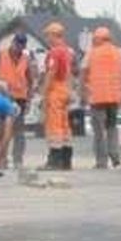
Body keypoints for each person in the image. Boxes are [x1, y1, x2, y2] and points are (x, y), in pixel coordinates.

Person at [82, 26, 121, 169]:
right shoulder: (120, 53)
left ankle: (101, 161)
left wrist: (83, 93)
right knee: (112, 127)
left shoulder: (91, 54)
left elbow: (83, 73)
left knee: (99, 131)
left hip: (97, 98)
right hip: (114, 98)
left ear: (98, 39)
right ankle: (114, 155)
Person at [0, 31, 37, 169]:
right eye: (18, 44)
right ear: (13, 43)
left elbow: (30, 81)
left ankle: (18, 160)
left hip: (19, 100)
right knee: (0, 129)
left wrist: (29, 99)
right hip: (1, 98)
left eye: (22, 46)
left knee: (18, 131)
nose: (19, 48)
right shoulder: (0, 55)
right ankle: (2, 159)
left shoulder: (26, 59)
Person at [41, 21, 76, 170]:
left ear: (54, 35)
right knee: (64, 126)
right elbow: (70, 73)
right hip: (65, 89)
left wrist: (44, 92)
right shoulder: (68, 51)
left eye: (48, 35)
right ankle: (66, 161)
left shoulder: (55, 52)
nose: (47, 39)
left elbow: (51, 72)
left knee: (54, 125)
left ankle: (54, 161)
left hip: (55, 90)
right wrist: (70, 91)